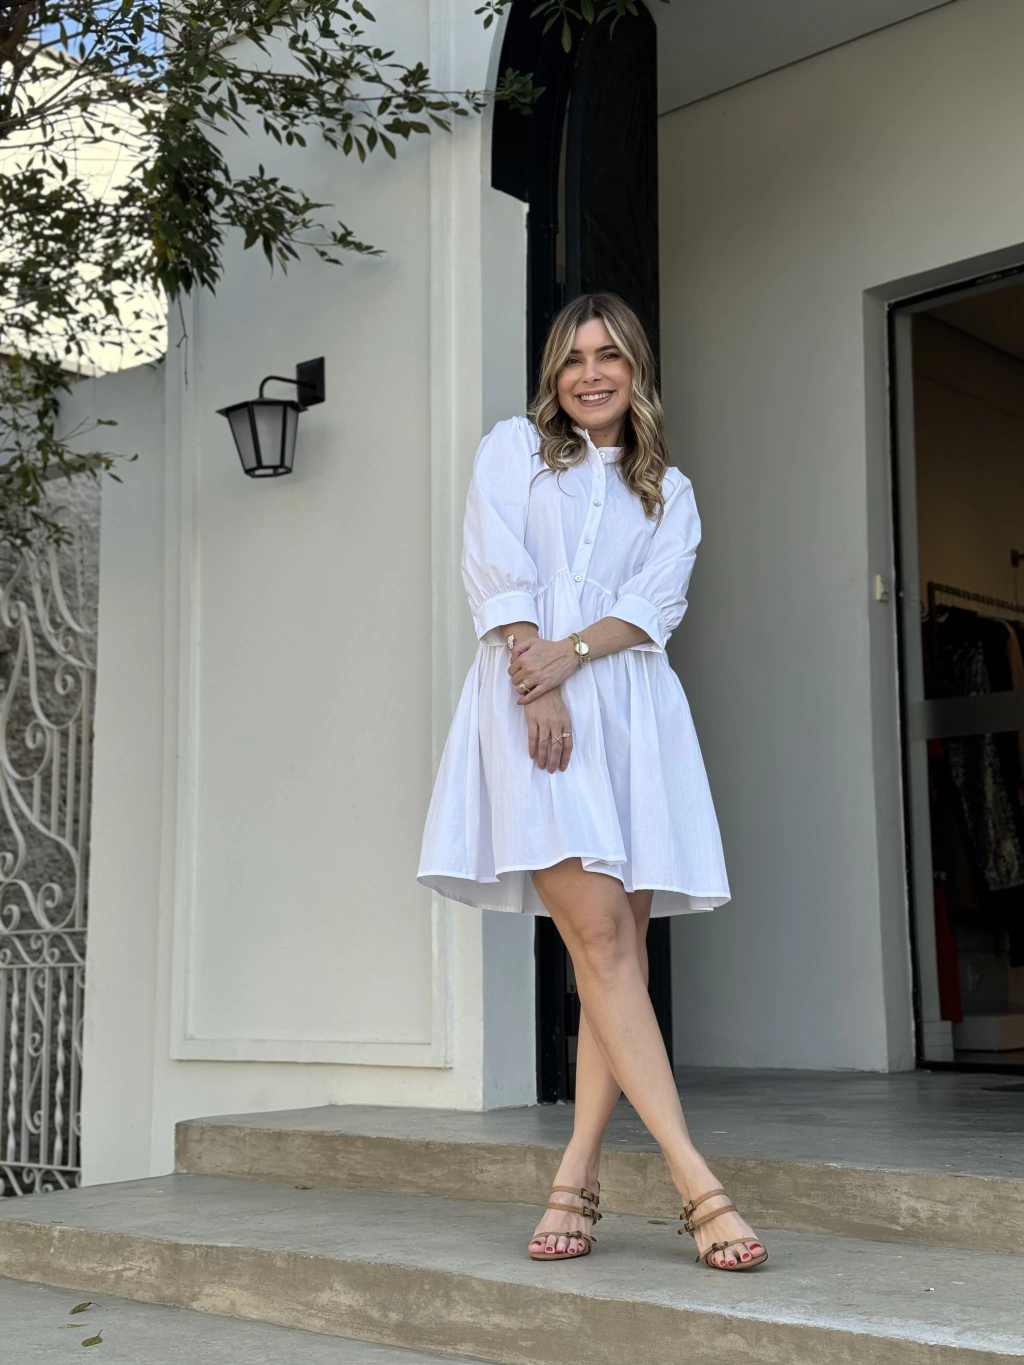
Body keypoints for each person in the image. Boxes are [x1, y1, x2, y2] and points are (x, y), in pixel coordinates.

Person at [418, 293, 767, 1271]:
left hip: (633, 718)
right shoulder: (513, 451)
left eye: (608, 355)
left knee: (612, 958)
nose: (590, 374)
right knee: (604, 940)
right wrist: (539, 678)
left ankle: (575, 1176)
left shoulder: (668, 491)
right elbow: (494, 562)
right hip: (533, 700)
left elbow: (655, 604)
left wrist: (571, 655)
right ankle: (698, 1186)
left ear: (635, 369)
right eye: (572, 359)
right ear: (553, 374)